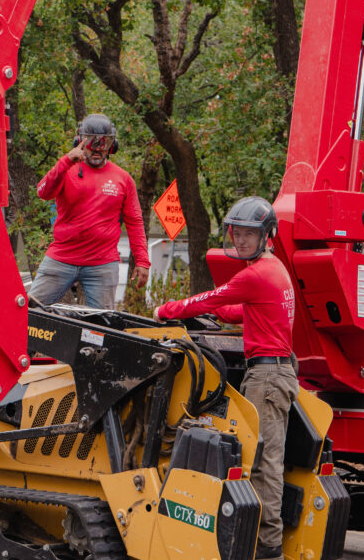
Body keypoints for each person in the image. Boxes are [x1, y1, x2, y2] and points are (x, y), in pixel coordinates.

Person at [153, 196, 297, 559]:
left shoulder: (256, 273)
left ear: (267, 235)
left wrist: (166, 310)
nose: (241, 241)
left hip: (267, 377)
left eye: (250, 234)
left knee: (263, 465)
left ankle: (268, 549)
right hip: (275, 371)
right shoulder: (274, 268)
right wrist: (222, 315)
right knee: (262, 459)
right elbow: (241, 309)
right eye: (237, 233)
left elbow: (209, 300)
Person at [28, 114, 150, 309]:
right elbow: (43, 192)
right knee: (29, 310)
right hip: (62, 258)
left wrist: (143, 260)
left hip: (102, 264)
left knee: (102, 325)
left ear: (112, 145)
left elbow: (134, 221)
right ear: (80, 141)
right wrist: (65, 161)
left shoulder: (123, 179)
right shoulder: (66, 170)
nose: (98, 148)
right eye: (92, 141)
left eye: (104, 143)